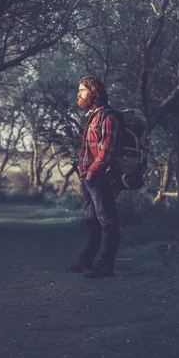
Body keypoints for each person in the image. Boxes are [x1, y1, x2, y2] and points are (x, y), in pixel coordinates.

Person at [66, 76, 120, 278]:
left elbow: (107, 150)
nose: (78, 93)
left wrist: (91, 171)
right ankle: (85, 261)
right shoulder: (92, 116)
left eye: (82, 90)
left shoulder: (108, 116)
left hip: (99, 177)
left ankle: (106, 265)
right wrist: (85, 173)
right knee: (92, 220)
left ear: (95, 92)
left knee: (107, 221)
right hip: (88, 177)